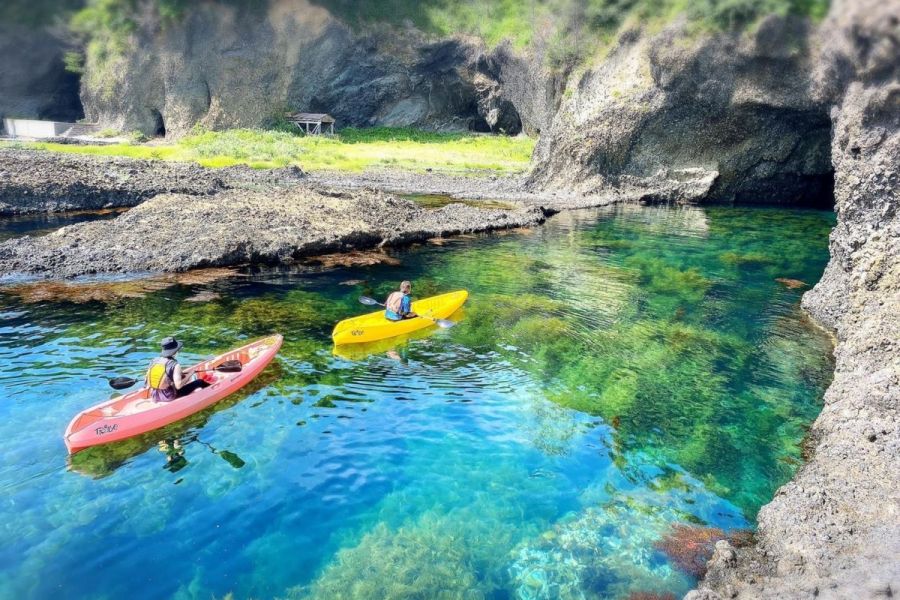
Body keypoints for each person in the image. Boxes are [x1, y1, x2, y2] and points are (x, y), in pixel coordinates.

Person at [145, 337, 210, 402]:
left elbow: (148, 380)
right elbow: (178, 386)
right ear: (175, 351)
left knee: (183, 377)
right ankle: (212, 388)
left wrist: (183, 374)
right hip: (169, 396)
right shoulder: (175, 365)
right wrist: (190, 374)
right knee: (199, 382)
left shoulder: (154, 361)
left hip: (154, 395)